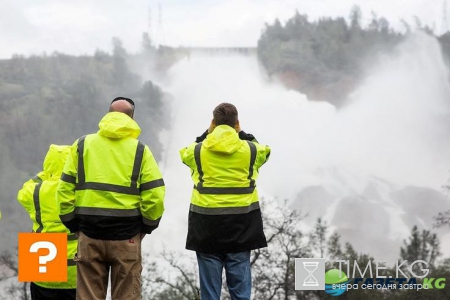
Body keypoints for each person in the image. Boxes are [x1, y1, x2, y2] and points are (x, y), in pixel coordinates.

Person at [57, 97, 165, 300]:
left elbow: (64, 190)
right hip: (127, 237)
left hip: (89, 235)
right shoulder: (140, 150)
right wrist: (147, 227)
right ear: (132, 119)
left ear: (108, 115)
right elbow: (155, 195)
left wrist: (73, 224)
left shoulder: (82, 145)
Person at [180, 103, 271, 300]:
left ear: (213, 123)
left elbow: (186, 151)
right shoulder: (251, 151)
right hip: (242, 227)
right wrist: (243, 134)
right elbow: (265, 151)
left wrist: (207, 134)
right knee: (240, 293)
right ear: (236, 123)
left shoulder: (197, 152)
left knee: (210, 294)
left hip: (206, 227)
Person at [17, 144, 77, 300]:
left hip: (40, 262)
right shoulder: (79, 190)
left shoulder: (34, 191)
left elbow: (23, 190)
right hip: (74, 267)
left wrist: (46, 174)